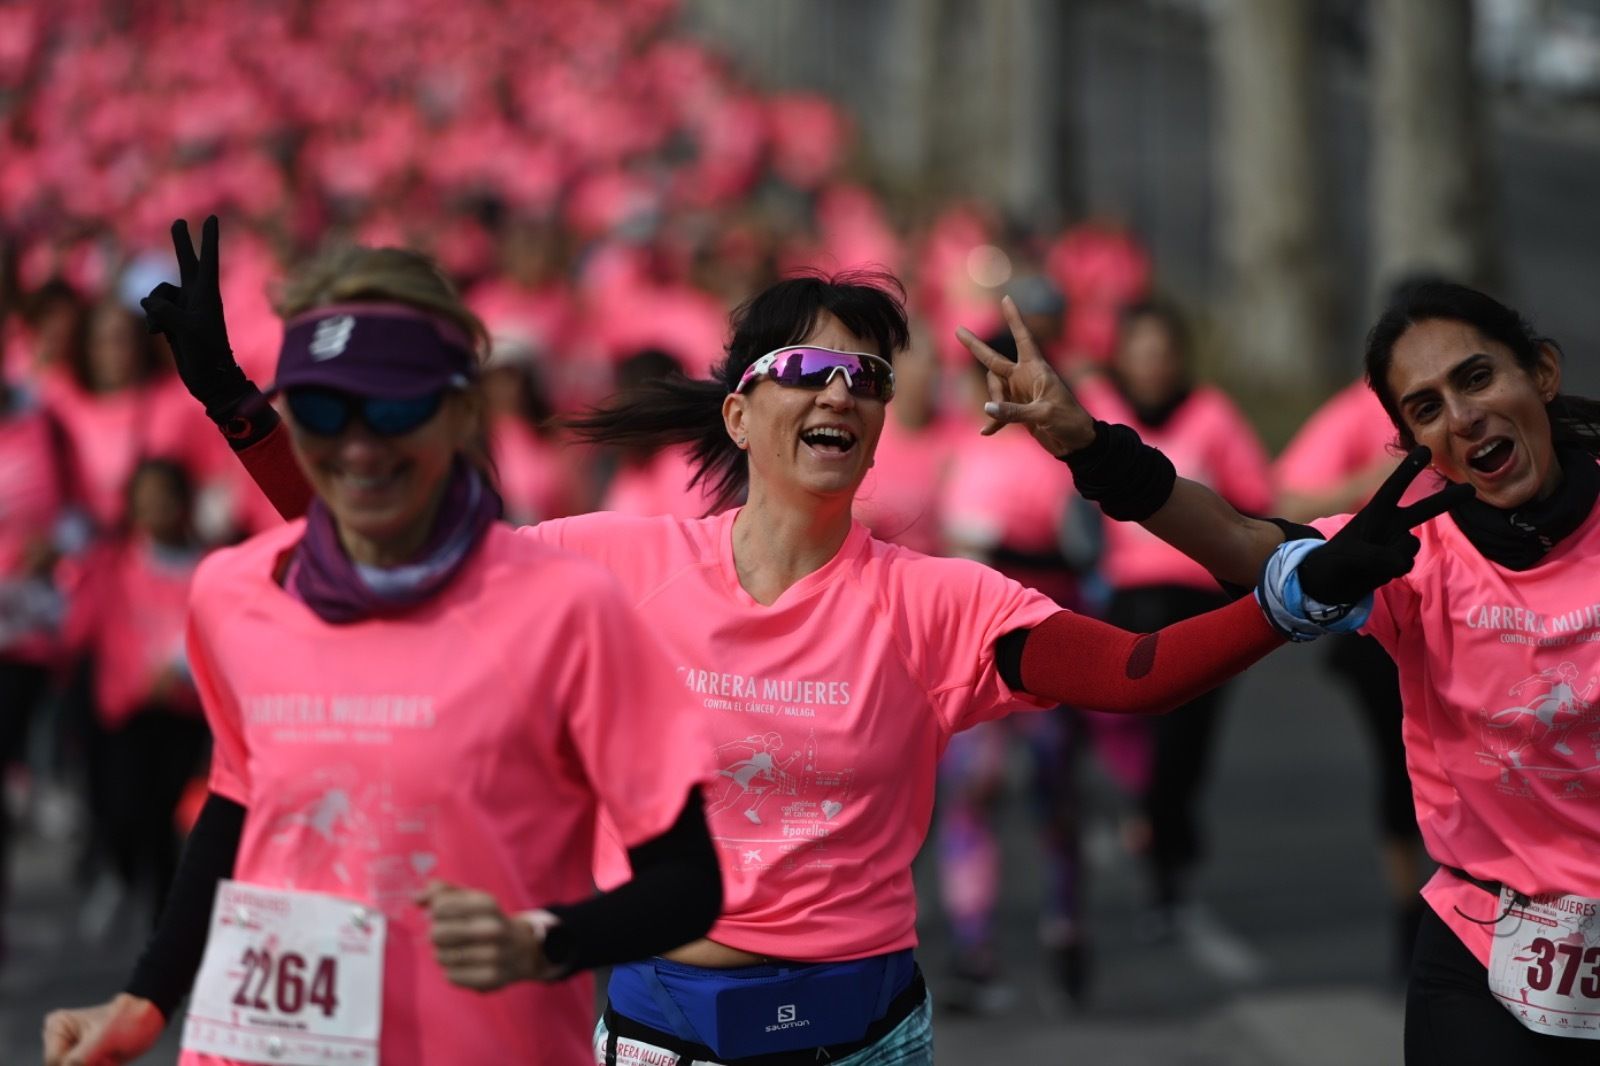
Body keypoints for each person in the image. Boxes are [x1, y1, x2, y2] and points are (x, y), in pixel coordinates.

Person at [152, 218, 1432, 1065]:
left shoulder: (936, 601)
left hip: (862, 1038)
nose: (845, 396)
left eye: (869, 380)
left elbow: (1135, 676)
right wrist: (238, 405)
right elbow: (384, 549)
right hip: (659, 1035)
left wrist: (1288, 595)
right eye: (812, 372)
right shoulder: (613, 564)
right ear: (742, 404)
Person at [42, 221, 723, 1066]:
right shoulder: (237, 594)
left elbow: (690, 883)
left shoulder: (564, 608)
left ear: (462, 411)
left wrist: (542, 941)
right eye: (324, 408)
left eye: (397, 407)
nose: (360, 443)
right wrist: (143, 1001)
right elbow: (240, 806)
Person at [965, 281, 1600, 1063]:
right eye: (1427, 408)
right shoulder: (1414, 556)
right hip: (1485, 950)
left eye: (1476, 379)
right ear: (1412, 444)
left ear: (1540, 371)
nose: (1464, 417)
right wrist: (1090, 448)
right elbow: (1236, 536)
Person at [1073, 298, 1276, 938]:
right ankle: (1160, 846)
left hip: (1202, 599)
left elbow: (1257, 498)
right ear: (1121, 355)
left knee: (1188, 746)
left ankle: (1170, 845)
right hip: (1125, 598)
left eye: (1164, 352)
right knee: (1147, 735)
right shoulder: (1095, 404)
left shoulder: (1212, 415)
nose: (1153, 365)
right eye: (1141, 350)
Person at [1274, 375, 1429, 974]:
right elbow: (1286, 500)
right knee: (1404, 763)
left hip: (1472, 614)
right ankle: (1408, 911)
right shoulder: (1355, 412)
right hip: (1383, 620)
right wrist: (1368, 485)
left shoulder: (1476, 413)